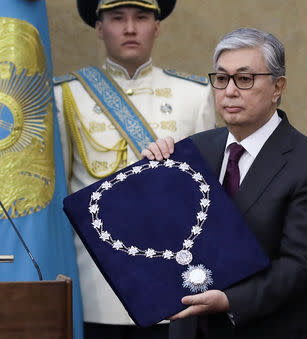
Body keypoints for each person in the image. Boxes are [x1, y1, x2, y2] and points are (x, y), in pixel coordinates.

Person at [143, 27, 307, 339]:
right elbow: (169, 234)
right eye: (221, 79)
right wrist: (152, 178)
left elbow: (302, 266)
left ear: (278, 87)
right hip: (189, 327)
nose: (230, 91)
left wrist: (230, 300)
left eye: (245, 79)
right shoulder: (195, 149)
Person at [53, 0, 216, 338]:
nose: (130, 28)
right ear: (99, 28)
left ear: (157, 26)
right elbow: (61, 194)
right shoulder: (66, 95)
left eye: (141, 17)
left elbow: (206, 192)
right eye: (117, 18)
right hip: (98, 284)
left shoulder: (196, 94)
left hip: (172, 279)